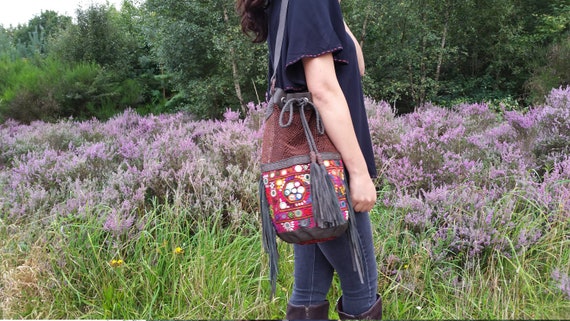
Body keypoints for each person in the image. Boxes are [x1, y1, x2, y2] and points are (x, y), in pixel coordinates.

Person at [237, 0, 382, 319]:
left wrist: (336, 12)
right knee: (361, 290)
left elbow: (356, 65)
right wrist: (358, 173)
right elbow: (323, 90)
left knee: (309, 291)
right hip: (328, 174)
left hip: (303, 174)